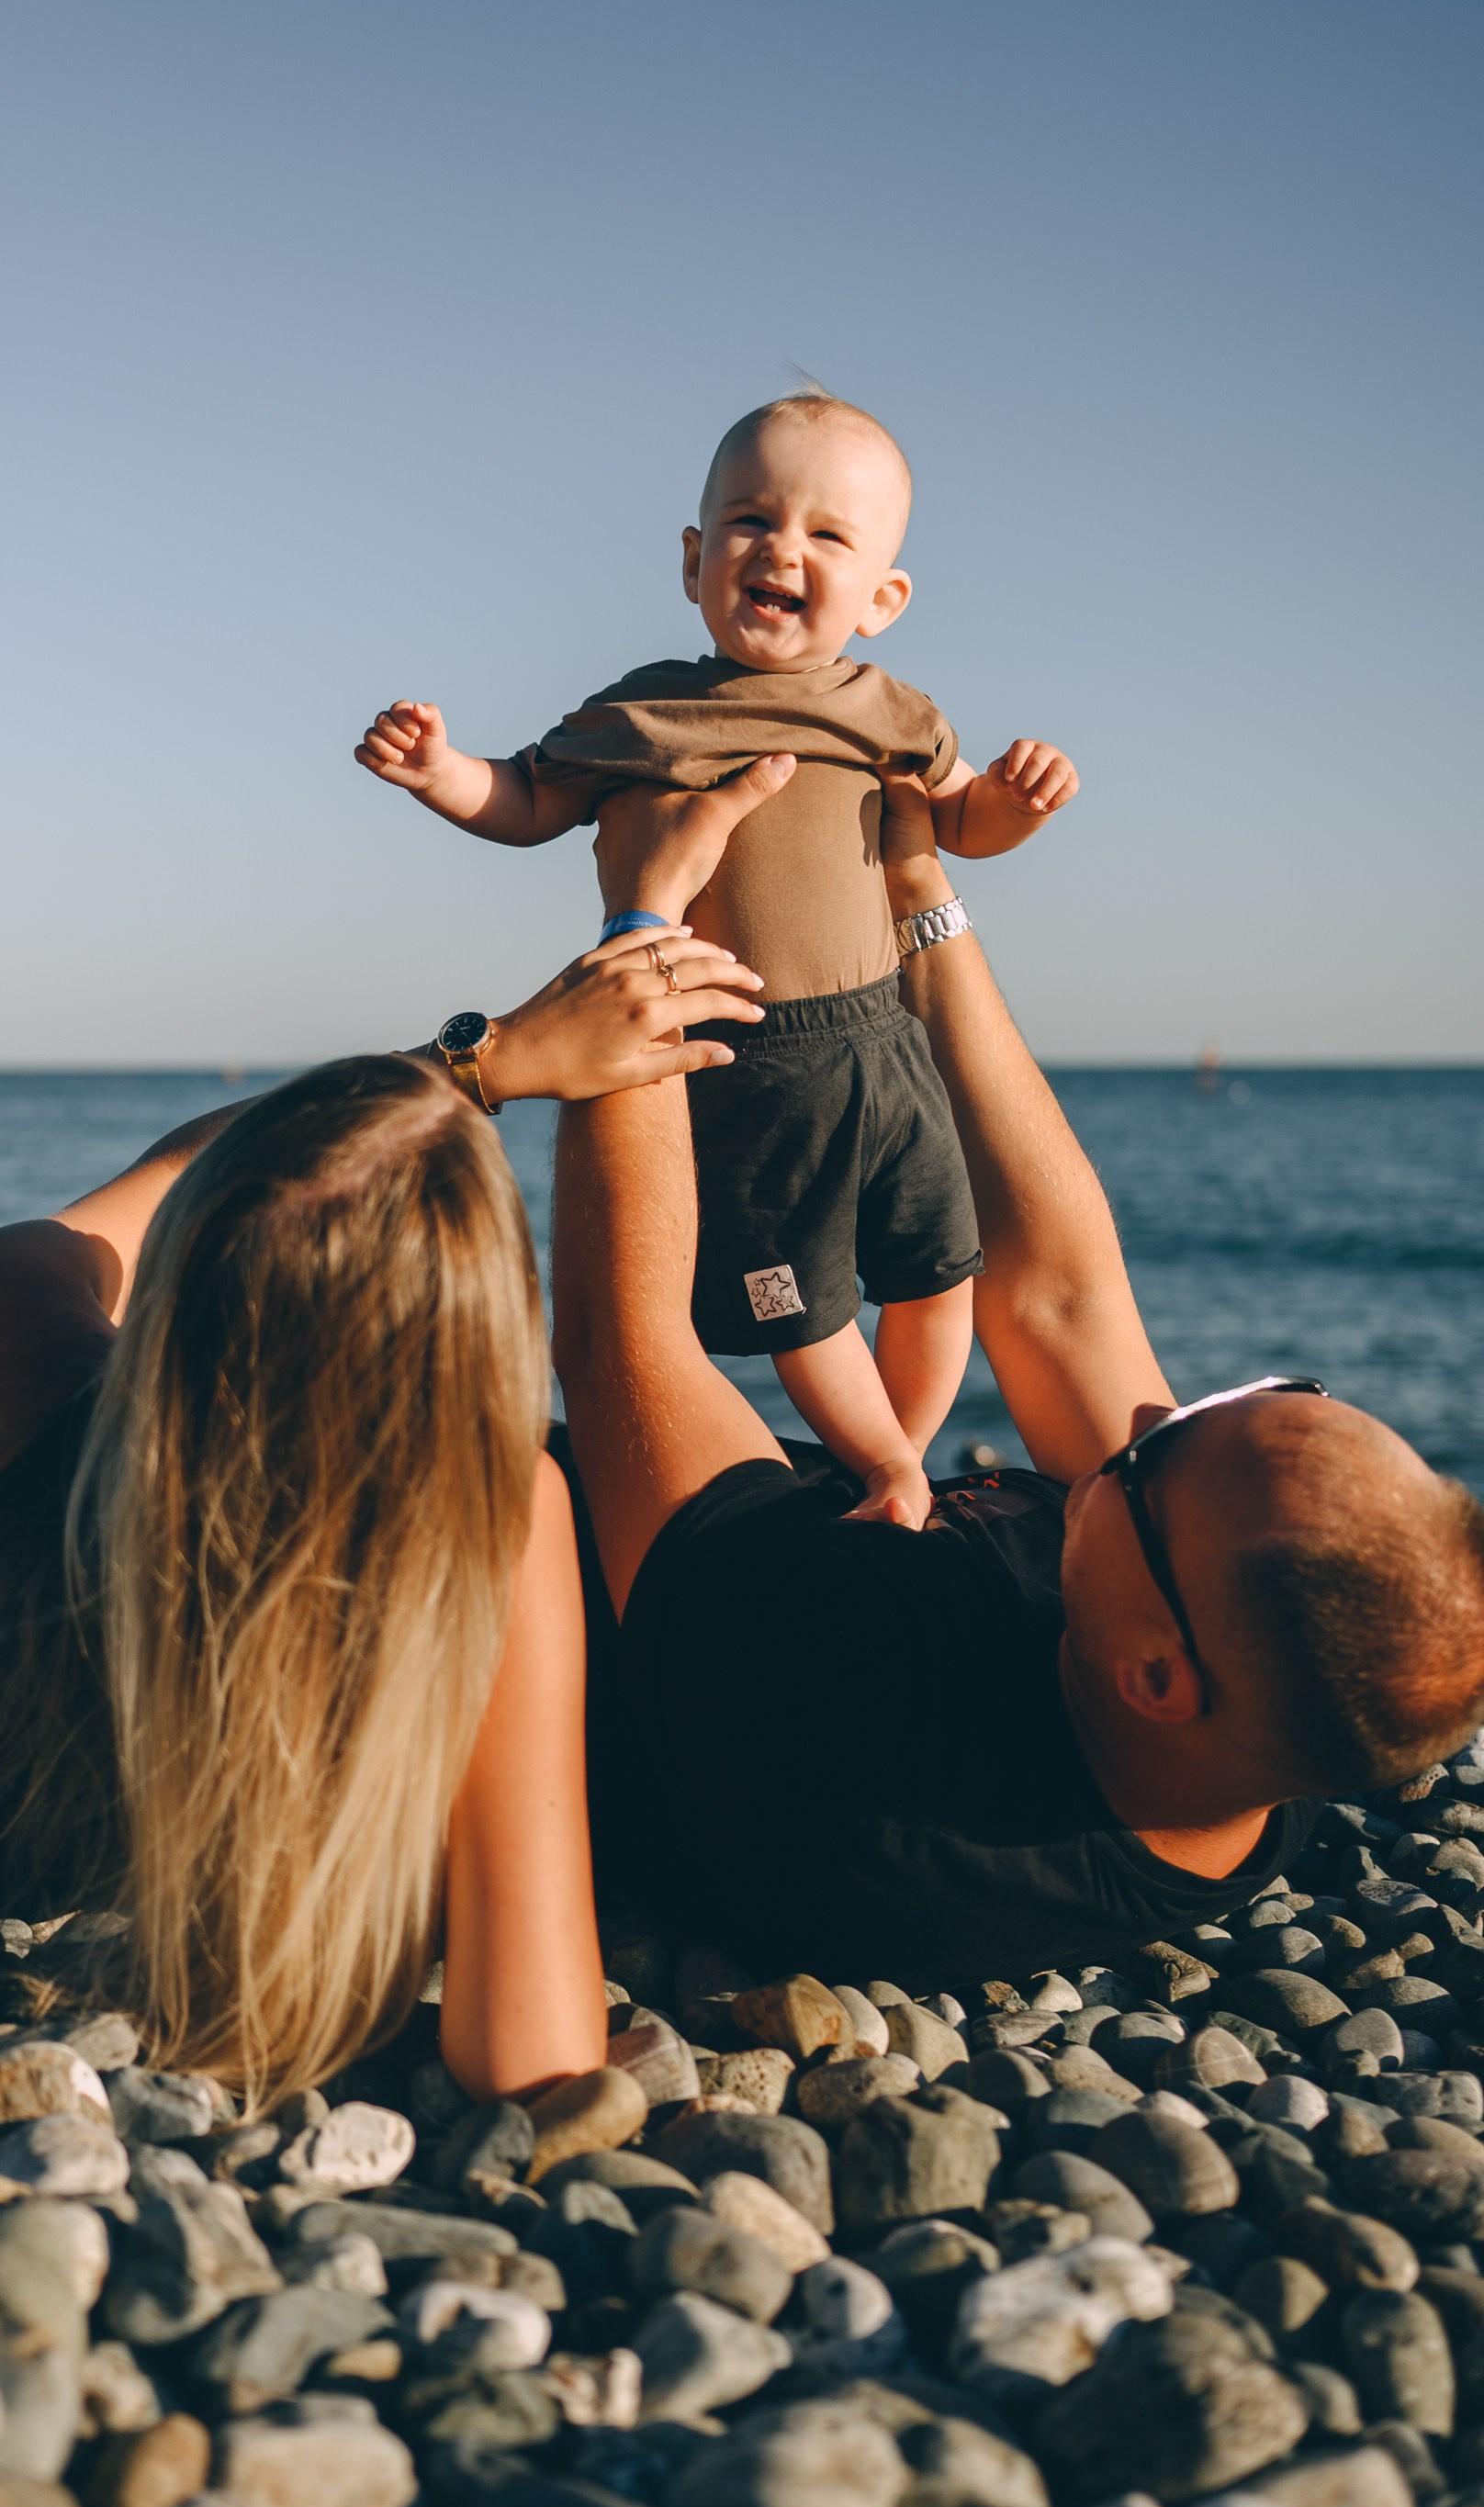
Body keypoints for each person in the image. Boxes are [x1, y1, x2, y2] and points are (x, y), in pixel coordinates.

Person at [0, 925, 764, 2109]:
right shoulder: (492, 1514)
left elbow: (169, 1181)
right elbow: (533, 2044)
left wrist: (491, 1063)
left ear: (198, 1263)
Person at [554, 760, 1484, 1992]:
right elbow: (1061, 1294)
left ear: (1153, 1673)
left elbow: (629, 1345)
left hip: (506, 1563)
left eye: (1158, 1455)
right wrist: (918, 890)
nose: (1150, 1416)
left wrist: (640, 928)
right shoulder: (1268, 1746)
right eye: (1257, 1396)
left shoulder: (843, 1717)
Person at [356, 387, 1078, 1526]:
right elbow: (531, 800)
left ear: (883, 598)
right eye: (751, 521)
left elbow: (959, 824)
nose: (782, 548)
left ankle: (901, 1454)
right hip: (746, 1048)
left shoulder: (891, 710)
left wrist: (1019, 804)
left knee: (942, 1268)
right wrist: (443, 771)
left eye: (827, 535)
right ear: (695, 561)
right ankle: (884, 1469)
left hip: (888, 1036)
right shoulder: (647, 712)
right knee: (806, 1303)